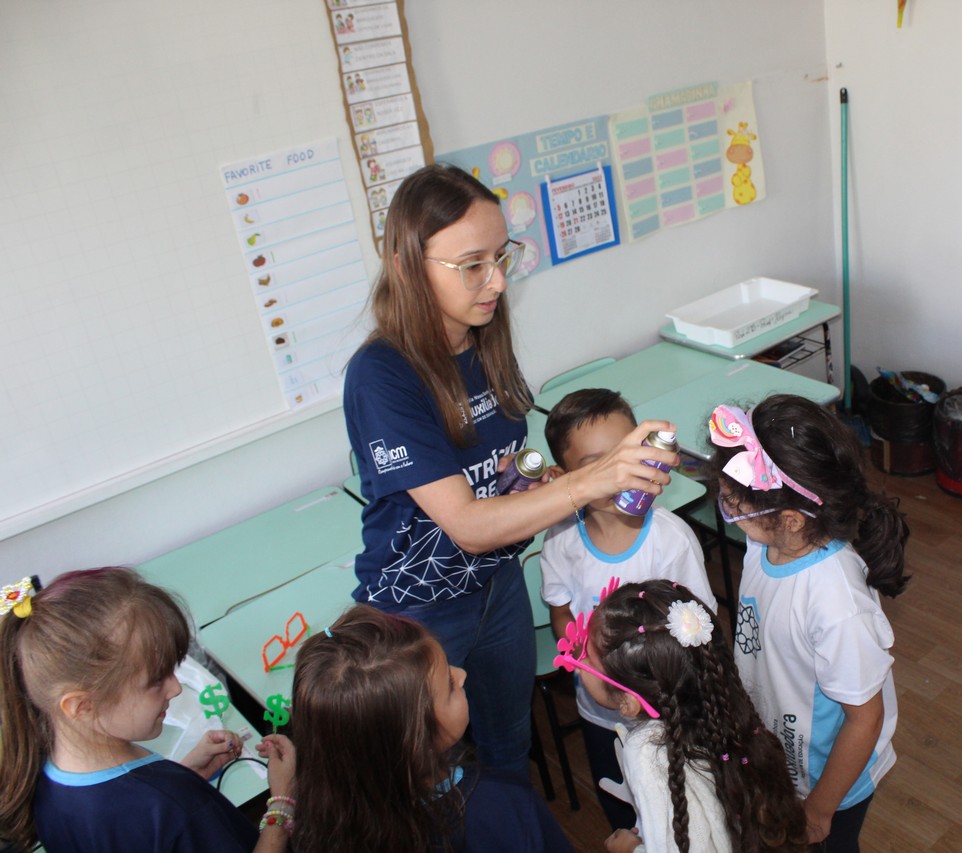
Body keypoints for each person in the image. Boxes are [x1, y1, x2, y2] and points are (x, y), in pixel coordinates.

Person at [343, 163, 678, 775]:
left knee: (508, 746)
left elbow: (498, 472)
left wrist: (534, 482)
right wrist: (592, 479)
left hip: (495, 585)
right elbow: (468, 524)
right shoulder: (382, 376)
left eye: (501, 256)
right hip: (422, 609)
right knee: (430, 771)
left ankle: (513, 817)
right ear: (408, 266)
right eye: (472, 264)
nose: (496, 280)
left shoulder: (483, 339)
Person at [708, 396, 907, 852]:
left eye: (735, 504)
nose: (729, 511)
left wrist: (820, 809)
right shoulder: (766, 544)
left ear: (792, 520)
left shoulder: (838, 605)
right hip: (782, 753)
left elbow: (865, 719)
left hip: (830, 778)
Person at [0, 568, 295, 853]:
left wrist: (185, 772)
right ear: (83, 706)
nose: (176, 688)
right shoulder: (179, 808)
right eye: (156, 680)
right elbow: (159, 816)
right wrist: (282, 802)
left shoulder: (40, 770)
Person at [540, 388, 715, 829]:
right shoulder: (560, 539)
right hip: (599, 711)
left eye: (626, 454)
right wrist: (580, 655)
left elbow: (702, 628)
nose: (618, 473)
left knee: (679, 810)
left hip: (671, 711)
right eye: (597, 465)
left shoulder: (671, 539)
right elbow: (560, 612)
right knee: (619, 803)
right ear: (564, 478)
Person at [289, 604, 572, 853]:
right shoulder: (503, 803)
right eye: (449, 684)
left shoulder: (313, 823)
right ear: (414, 741)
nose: (462, 675)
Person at [556, 578, 807, 853]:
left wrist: (631, 850)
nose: (579, 664)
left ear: (628, 702)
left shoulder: (646, 754)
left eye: (587, 658)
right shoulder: (718, 705)